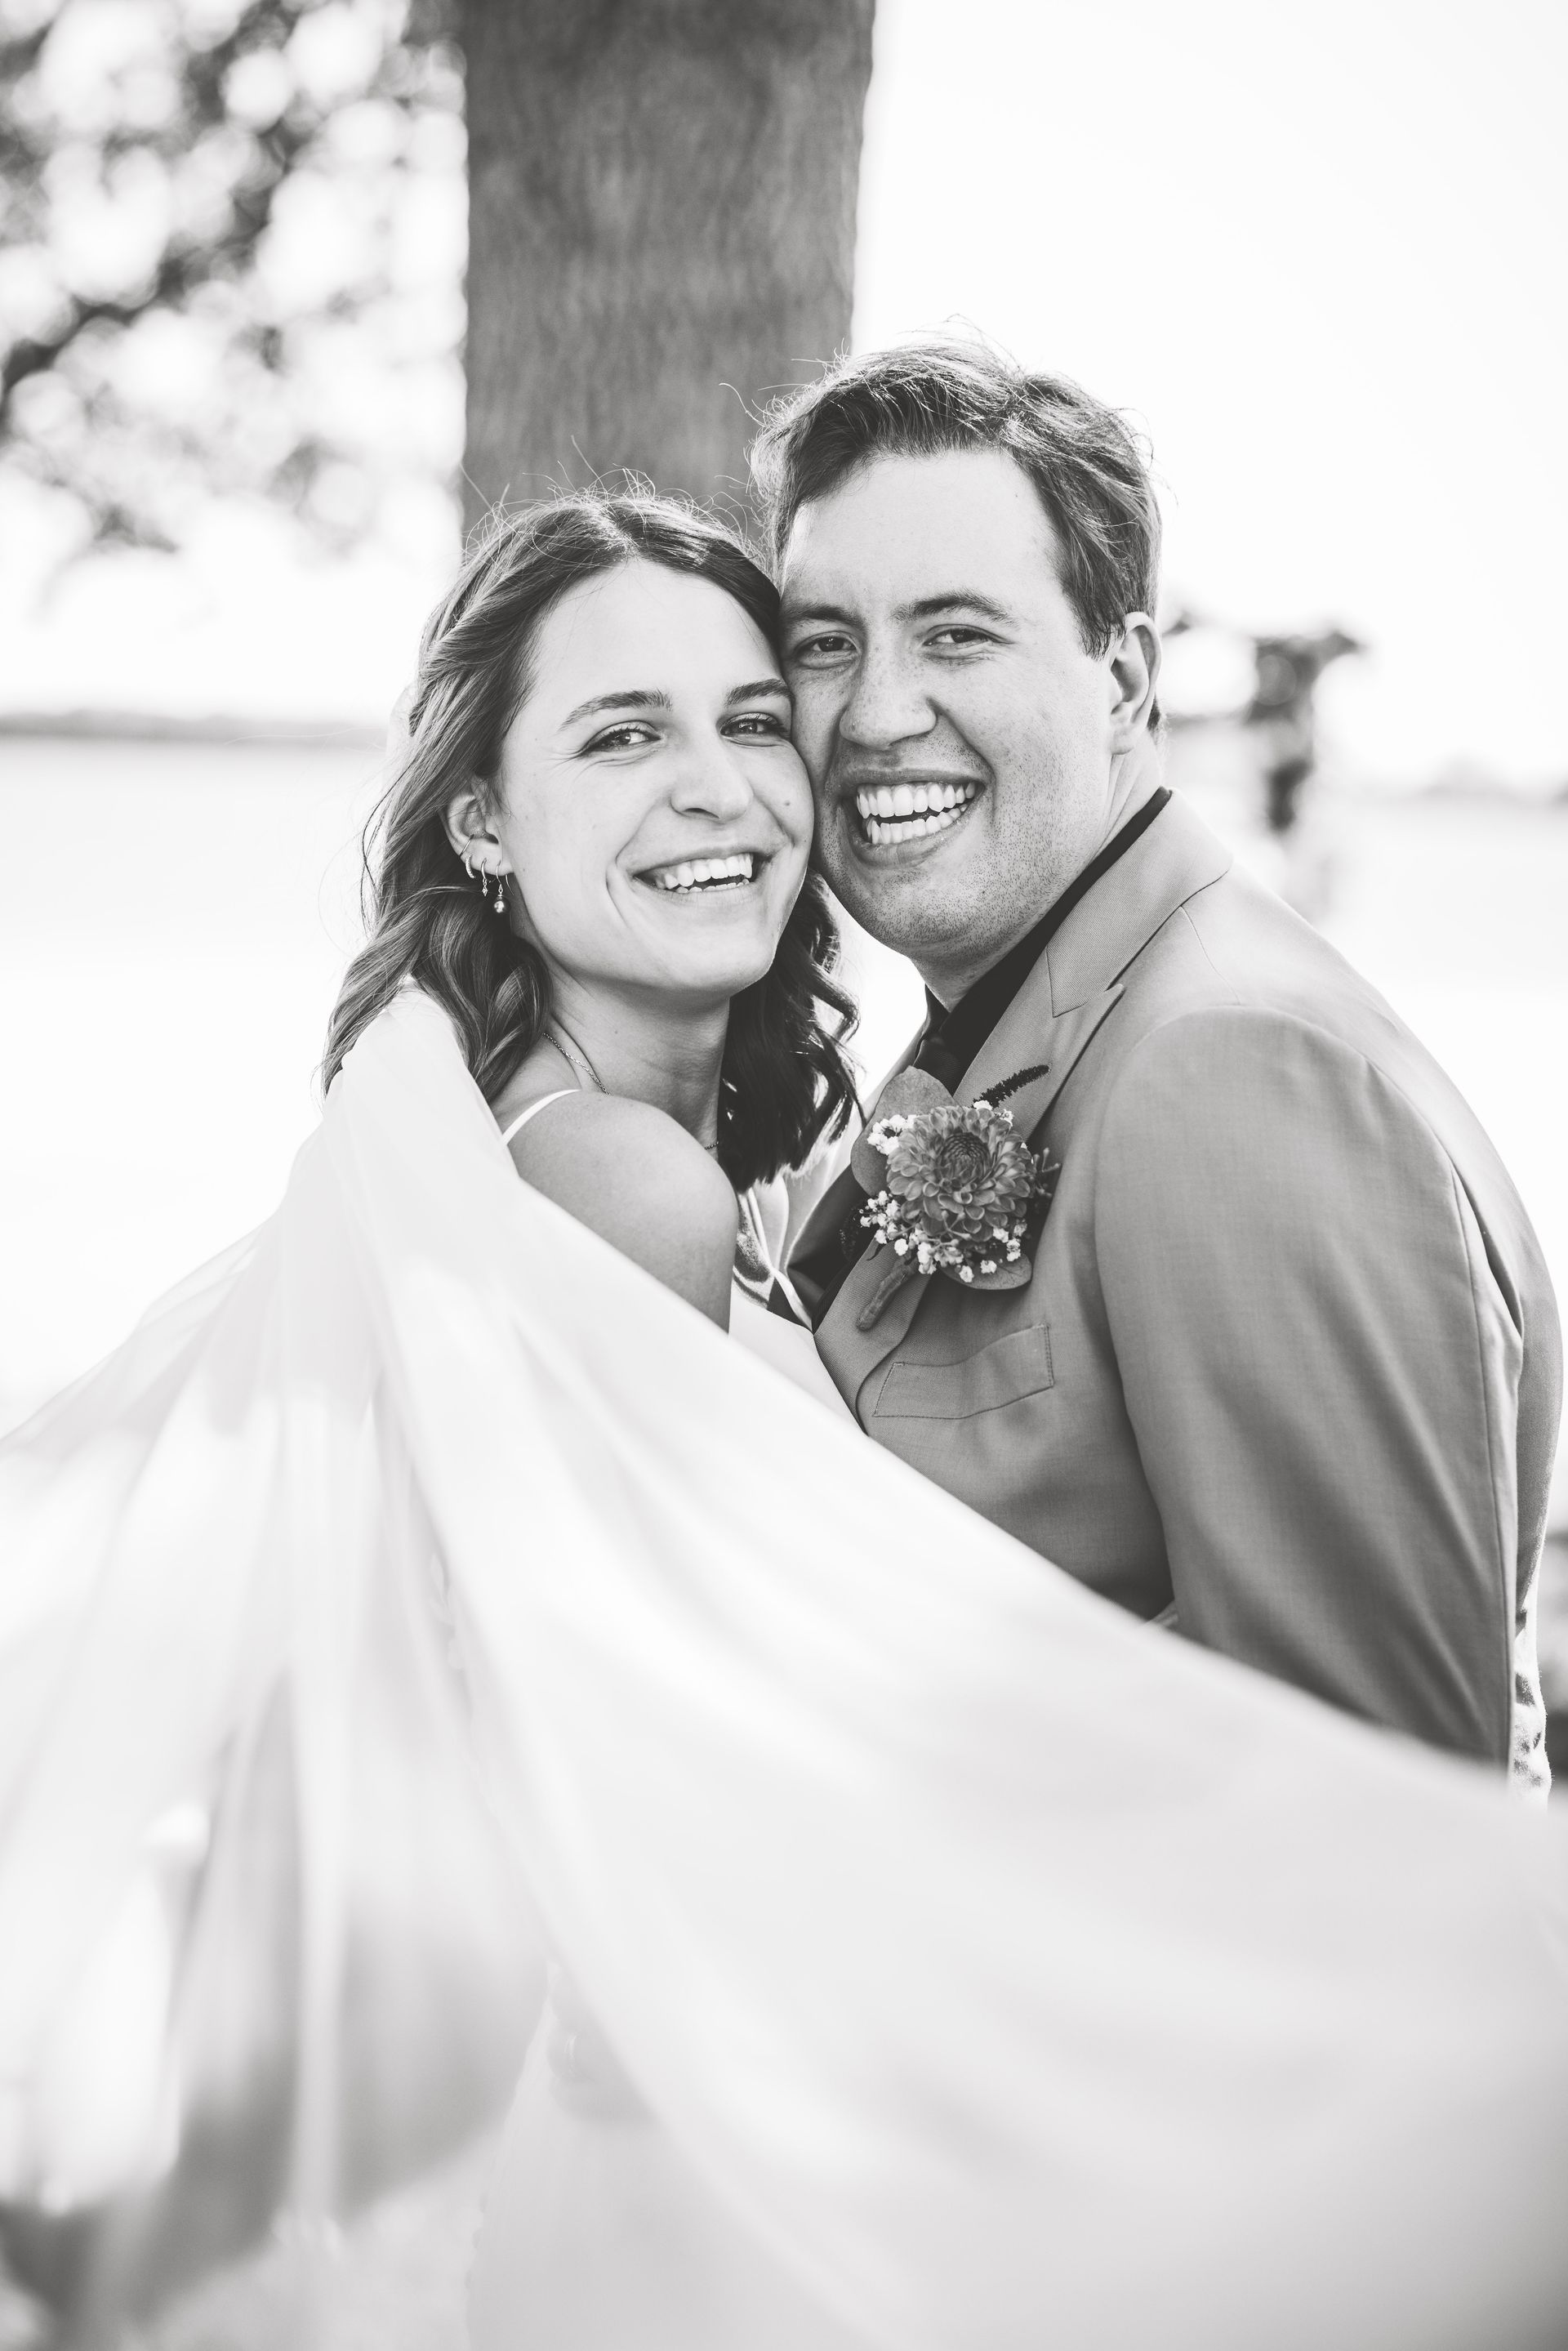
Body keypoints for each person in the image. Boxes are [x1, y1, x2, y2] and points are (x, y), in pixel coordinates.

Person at [3, 489, 1568, 2351]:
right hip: (673, 2140)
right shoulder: (617, 1193)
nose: (720, 785)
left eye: (754, 718)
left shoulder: (584, 1145)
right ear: (484, 816)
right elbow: (760, 1760)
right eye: (622, 731)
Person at [761, 341, 1561, 1795]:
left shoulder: (1233, 1070)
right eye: (826, 643)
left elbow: (1379, 1810)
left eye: (956, 634)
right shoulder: (1015, 1029)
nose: (875, 713)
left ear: (1123, 678)